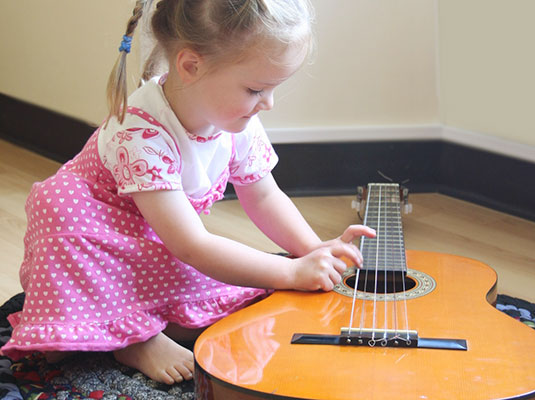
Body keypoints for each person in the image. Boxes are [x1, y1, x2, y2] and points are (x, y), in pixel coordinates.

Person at [0, 0, 375, 385]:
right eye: (255, 89)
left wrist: (313, 251)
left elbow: (263, 196)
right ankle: (133, 339)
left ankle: (146, 319)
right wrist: (291, 271)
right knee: (90, 272)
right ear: (191, 66)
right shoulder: (139, 134)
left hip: (154, 237)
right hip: (90, 240)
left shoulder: (236, 122)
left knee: (232, 294)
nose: (269, 103)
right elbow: (191, 245)